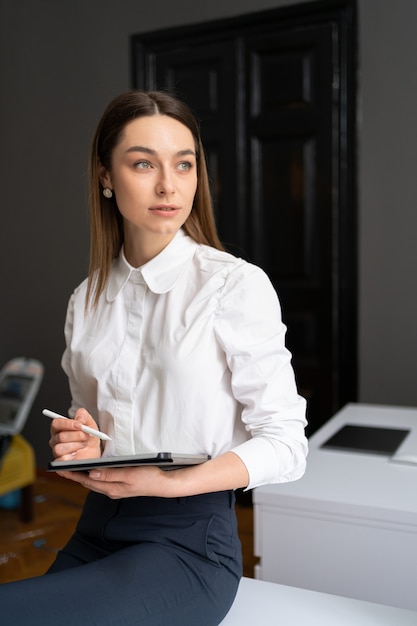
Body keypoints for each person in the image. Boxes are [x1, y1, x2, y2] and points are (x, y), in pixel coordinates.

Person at [0, 90, 308, 625]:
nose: (169, 184)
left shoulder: (233, 286)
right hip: (95, 527)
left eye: (183, 164)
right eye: (144, 163)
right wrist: (76, 438)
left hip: (186, 545)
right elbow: (90, 427)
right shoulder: (86, 298)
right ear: (105, 177)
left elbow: (287, 445)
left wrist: (172, 483)